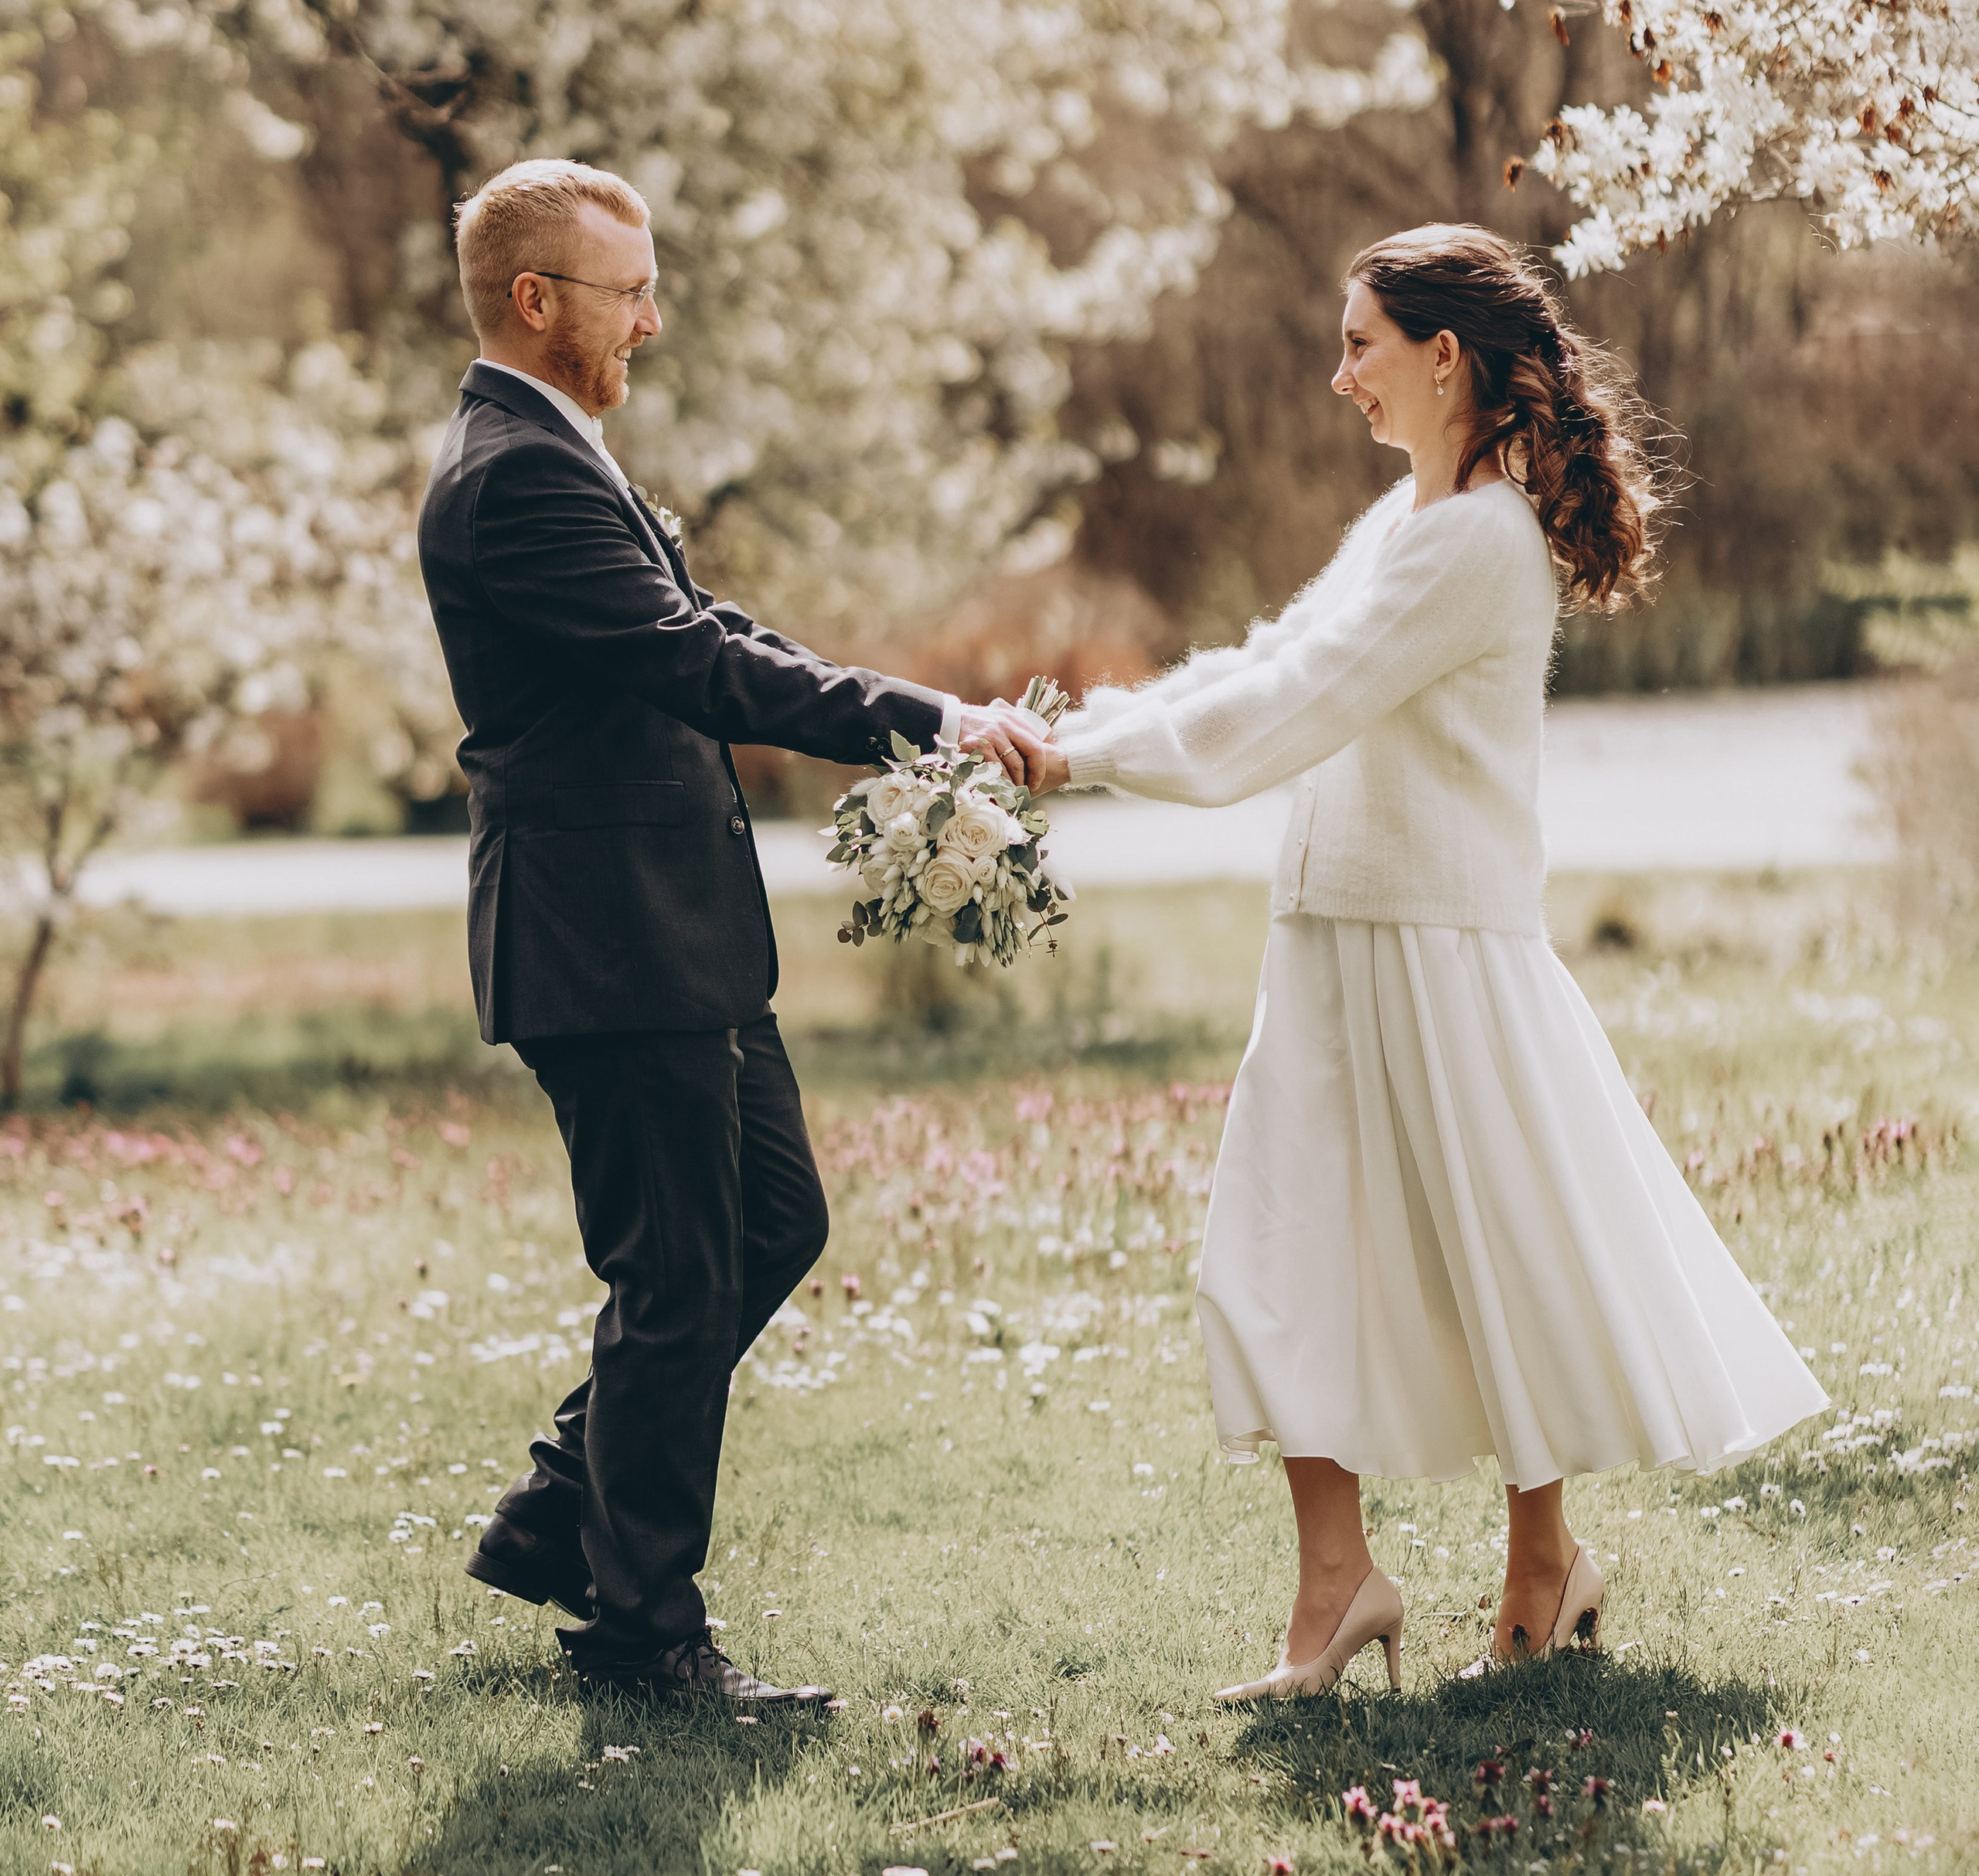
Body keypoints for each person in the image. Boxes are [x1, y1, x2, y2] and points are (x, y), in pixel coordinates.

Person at [1037, 223, 1827, 1699]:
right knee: (1278, 1256)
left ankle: (1545, 1565)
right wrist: (1067, 734)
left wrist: (1075, 762)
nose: (1340, 376)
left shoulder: (1477, 544)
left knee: (1496, 1263)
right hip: (1330, 940)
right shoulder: (1402, 524)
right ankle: (1338, 1586)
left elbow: (1297, 708)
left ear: (1444, 356)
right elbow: (1263, 667)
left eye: (1361, 346)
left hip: (1442, 950)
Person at [418, 158, 1051, 1708]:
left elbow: (715, 636)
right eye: (629, 292)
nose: (652, 319)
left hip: (667, 937)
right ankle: (641, 1637)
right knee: (677, 1276)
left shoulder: (554, 454)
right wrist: (926, 722)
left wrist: (918, 709)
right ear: (536, 301)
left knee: (769, 1225)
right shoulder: (513, 476)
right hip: (608, 942)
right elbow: (694, 665)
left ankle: (562, 1511)